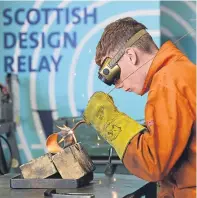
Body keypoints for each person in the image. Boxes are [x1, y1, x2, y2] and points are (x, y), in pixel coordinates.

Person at [83, 17, 196, 198]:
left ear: (130, 56)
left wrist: (108, 120)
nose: (117, 84)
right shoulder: (179, 72)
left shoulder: (168, 81)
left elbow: (153, 164)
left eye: (113, 74)